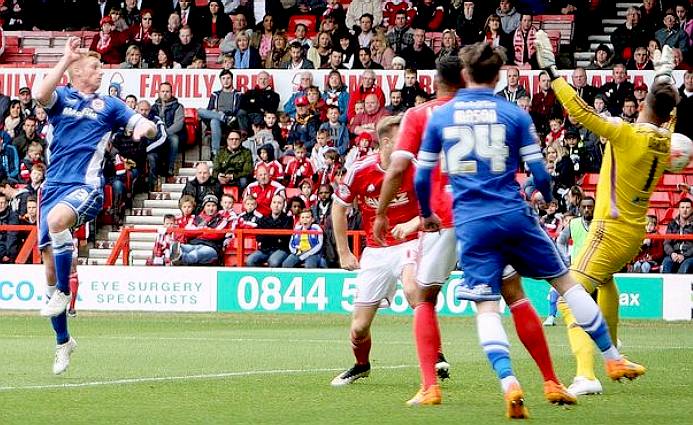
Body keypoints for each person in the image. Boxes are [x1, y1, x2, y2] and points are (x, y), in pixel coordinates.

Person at [415, 41, 645, 418]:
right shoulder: (514, 114)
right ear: (499, 75)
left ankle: (510, 384)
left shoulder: (442, 116)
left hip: (472, 222)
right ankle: (613, 358)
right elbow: (539, 173)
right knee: (566, 283)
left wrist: (426, 213)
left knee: (487, 305)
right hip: (514, 212)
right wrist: (545, 194)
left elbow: (424, 175)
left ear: (464, 74)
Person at [376, 55, 574, 407]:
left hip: (441, 219)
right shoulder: (488, 110)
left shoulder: (419, 115)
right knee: (515, 295)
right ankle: (551, 380)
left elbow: (397, 169)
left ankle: (429, 387)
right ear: (466, 78)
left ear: (436, 79)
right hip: (487, 215)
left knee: (425, 298)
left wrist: (380, 214)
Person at [537, 30, 684, 396]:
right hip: (633, 232)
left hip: (608, 229)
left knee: (572, 297)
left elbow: (581, 112)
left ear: (645, 102)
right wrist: (665, 72)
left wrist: (552, 71)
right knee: (605, 284)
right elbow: (667, 102)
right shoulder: (666, 138)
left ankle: (587, 373)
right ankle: (613, 354)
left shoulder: (626, 134)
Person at [35, 38, 156, 375]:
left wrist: (144, 128)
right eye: (95, 67)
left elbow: (139, 123)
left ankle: (63, 291)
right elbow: (40, 95)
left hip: (84, 186)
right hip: (52, 187)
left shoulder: (110, 105)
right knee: (47, 269)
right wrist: (64, 58)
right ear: (76, 73)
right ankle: (63, 343)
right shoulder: (64, 99)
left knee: (59, 223)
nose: (101, 71)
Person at [330, 116, 424, 387]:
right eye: (403, 139)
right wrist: (344, 252)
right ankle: (362, 365)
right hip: (376, 250)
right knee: (358, 328)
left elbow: (435, 207)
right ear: (385, 142)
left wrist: (411, 224)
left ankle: (435, 355)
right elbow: (339, 207)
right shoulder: (360, 170)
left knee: (413, 290)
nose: (410, 144)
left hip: (410, 241)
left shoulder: (415, 167)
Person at [198, 69, 242, 157]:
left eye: (228, 78)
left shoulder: (238, 94)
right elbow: (209, 109)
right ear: (220, 80)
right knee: (200, 111)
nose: (226, 81)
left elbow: (237, 110)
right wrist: (217, 113)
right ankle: (223, 117)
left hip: (231, 122)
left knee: (214, 120)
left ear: (232, 80)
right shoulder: (215, 94)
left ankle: (215, 153)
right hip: (219, 119)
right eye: (223, 78)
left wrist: (222, 113)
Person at [246, 194, 292, 267]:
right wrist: (277, 237)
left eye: (279, 203)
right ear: (270, 204)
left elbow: (285, 238)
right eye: (274, 202)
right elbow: (259, 237)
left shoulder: (288, 219)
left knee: (273, 262)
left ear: (283, 205)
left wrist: (268, 236)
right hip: (265, 249)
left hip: (281, 249)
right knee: (250, 260)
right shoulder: (263, 219)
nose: (276, 205)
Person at [662, 198, 693, 273]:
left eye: (687, 207)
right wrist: (672, 253)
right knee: (666, 263)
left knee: (685, 266)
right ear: (679, 209)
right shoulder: (672, 224)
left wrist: (684, 256)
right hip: (674, 254)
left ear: (692, 209)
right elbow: (666, 243)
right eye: (682, 207)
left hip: (690, 256)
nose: (685, 210)